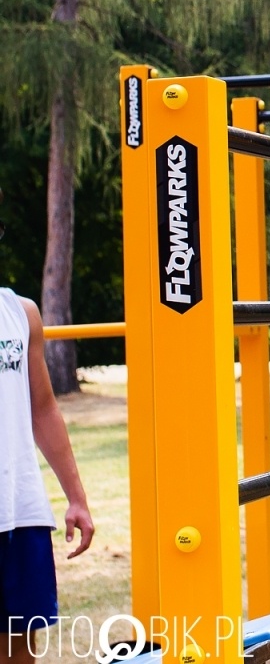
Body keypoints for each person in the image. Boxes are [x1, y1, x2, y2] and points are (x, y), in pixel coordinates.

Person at [1, 248, 94, 661]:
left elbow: (43, 408)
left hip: (19, 510)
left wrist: (76, 497)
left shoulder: (21, 313)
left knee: (18, 645)